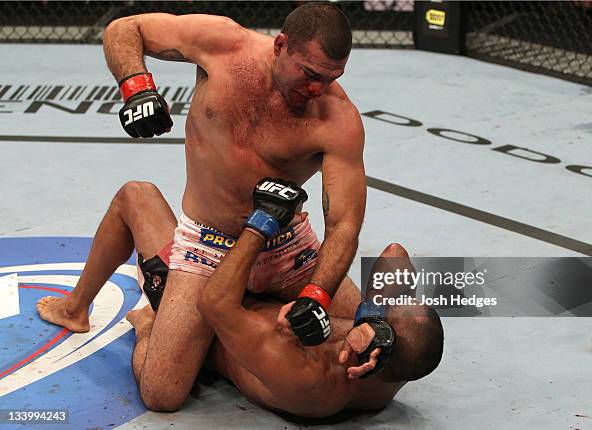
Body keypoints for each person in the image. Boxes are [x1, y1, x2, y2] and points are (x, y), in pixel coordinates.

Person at [38, 2, 366, 410]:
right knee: (162, 394)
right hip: (207, 245)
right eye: (311, 74)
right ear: (281, 45)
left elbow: (345, 224)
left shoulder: (338, 120)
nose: (318, 89)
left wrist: (318, 294)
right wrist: (136, 86)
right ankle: (147, 320)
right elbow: (125, 28)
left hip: (285, 247)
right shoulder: (225, 45)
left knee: (373, 332)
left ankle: (226, 323)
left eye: (331, 78)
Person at [126, 180, 443, 418]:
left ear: (378, 350)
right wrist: (372, 313)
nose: (383, 304)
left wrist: (261, 225)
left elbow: (214, 304)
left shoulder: (309, 377)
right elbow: (395, 254)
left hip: (216, 304)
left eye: (386, 312)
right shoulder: (391, 368)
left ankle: (146, 320)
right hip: (259, 291)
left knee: (161, 394)